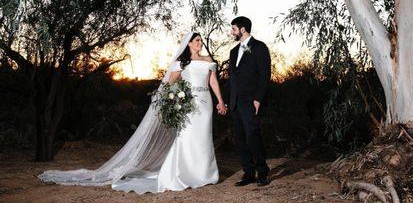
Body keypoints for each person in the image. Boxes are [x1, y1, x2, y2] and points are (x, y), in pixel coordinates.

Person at [38, 31, 227, 194]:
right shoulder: (181, 63)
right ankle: (183, 175)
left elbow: (213, 82)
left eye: (201, 41)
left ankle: (204, 175)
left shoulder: (208, 60)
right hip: (188, 104)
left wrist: (220, 101)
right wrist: (178, 99)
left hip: (205, 103)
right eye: (196, 41)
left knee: (203, 137)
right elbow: (169, 85)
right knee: (186, 137)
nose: (200, 44)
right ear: (188, 44)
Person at [228, 16, 271, 187]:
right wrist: (227, 101)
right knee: (240, 138)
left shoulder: (260, 47)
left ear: (243, 29)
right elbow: (233, 79)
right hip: (235, 102)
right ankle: (248, 173)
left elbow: (264, 75)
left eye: (233, 29)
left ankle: (262, 172)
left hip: (251, 101)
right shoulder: (233, 51)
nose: (232, 32)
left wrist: (258, 99)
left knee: (253, 135)